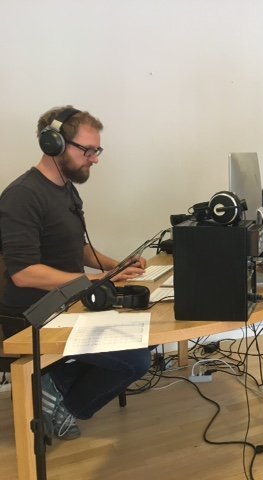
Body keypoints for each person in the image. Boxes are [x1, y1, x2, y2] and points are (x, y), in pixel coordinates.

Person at [0, 106, 151, 441]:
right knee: (136, 359)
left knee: (145, 330)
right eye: (87, 150)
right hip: (33, 315)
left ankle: (51, 388)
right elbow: (24, 274)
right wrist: (93, 281)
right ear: (53, 144)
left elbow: (78, 248)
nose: (94, 159)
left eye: (97, 150)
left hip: (68, 303)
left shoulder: (65, 189)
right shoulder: (22, 196)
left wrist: (116, 266)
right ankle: (65, 402)